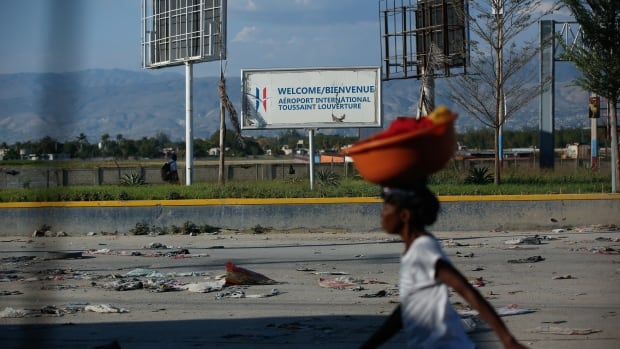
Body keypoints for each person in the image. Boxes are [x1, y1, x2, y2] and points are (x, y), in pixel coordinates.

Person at [361, 179, 528, 349]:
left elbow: (466, 290)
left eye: (386, 208)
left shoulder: (423, 249)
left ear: (405, 215)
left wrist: (508, 340)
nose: (382, 214)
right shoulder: (415, 249)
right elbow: (405, 310)